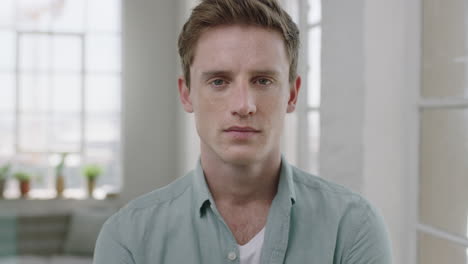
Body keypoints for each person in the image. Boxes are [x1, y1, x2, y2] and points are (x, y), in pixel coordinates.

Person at [93, 0, 393, 263]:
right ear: (186, 95)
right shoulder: (128, 237)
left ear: (291, 94)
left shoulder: (353, 227)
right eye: (219, 81)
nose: (243, 105)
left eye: (262, 81)